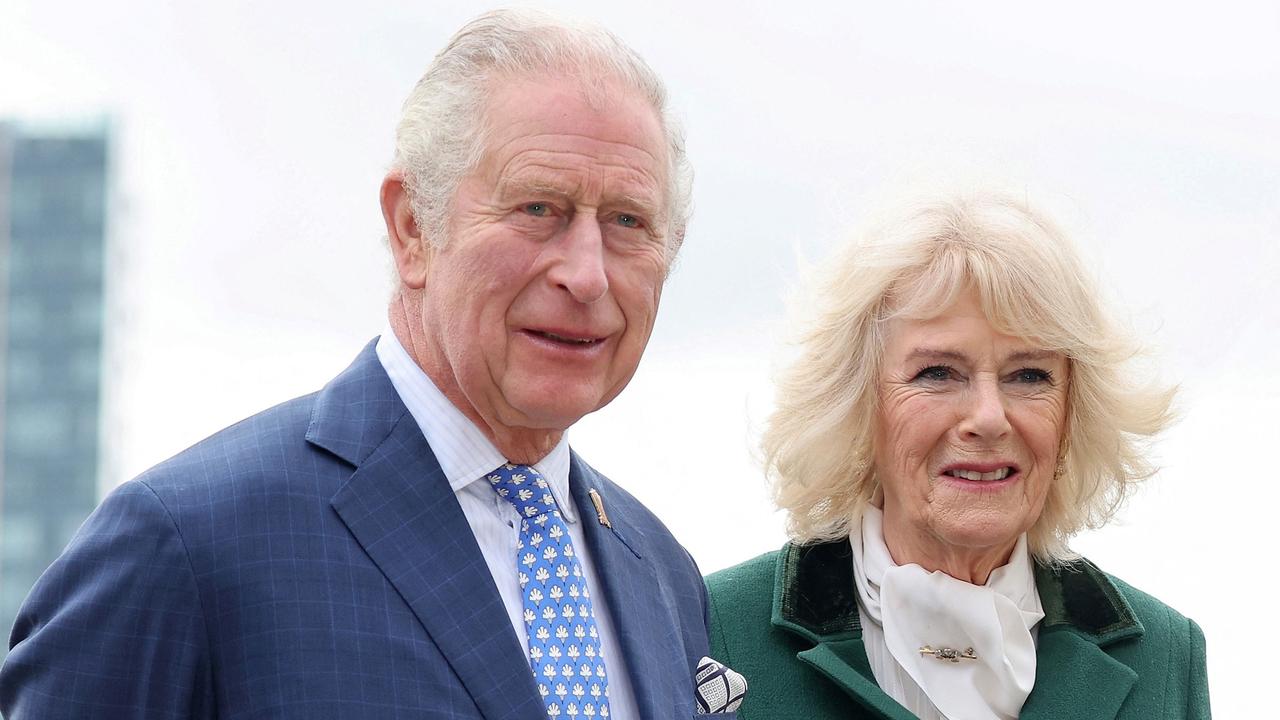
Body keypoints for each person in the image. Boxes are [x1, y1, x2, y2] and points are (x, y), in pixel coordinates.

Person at [1, 10, 726, 719]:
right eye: (540, 209)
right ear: (412, 227)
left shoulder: (661, 573)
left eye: (628, 222)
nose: (587, 274)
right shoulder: (187, 545)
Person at [706, 190, 1210, 719]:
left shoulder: (1165, 657)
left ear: (1072, 416)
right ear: (858, 405)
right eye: (938, 373)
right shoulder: (713, 629)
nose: (989, 417)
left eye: (1029, 375)